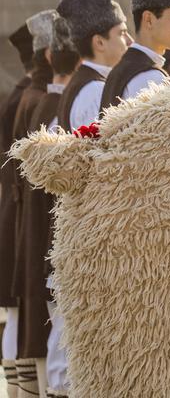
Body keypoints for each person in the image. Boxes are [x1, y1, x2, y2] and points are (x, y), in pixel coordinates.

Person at [48, 0, 131, 398]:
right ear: (99, 41)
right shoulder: (96, 90)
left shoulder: (78, 86)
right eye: (120, 34)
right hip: (91, 228)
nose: (128, 40)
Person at [15, 15, 80, 398]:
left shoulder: (40, 99)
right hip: (44, 229)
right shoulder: (48, 104)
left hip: (34, 227)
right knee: (54, 336)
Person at [0, 23, 33, 397]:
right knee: (17, 314)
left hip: (11, 208)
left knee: (15, 315)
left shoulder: (18, 94)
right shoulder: (26, 95)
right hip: (16, 210)